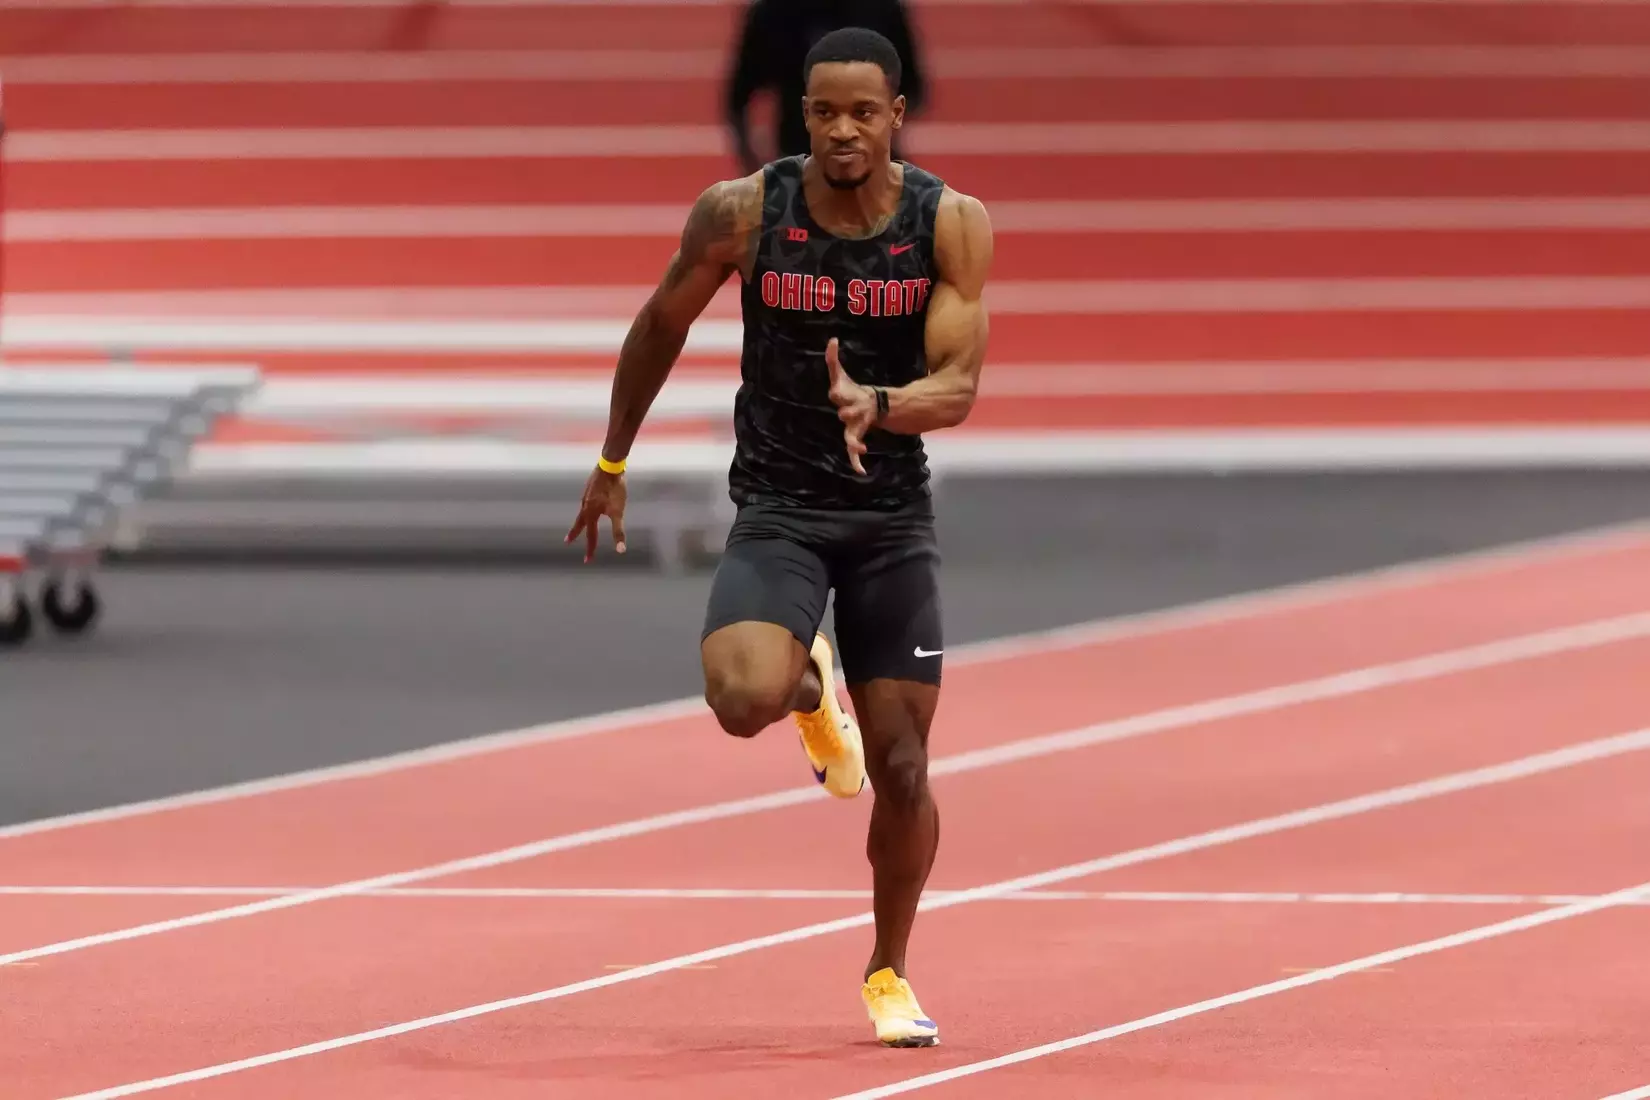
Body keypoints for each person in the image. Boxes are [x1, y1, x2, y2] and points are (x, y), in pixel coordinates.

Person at [566, 26, 992, 1049]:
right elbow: (659, 324)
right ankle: (809, 689)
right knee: (739, 697)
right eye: (822, 112)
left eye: (862, 112)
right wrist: (613, 460)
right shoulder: (748, 212)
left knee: (900, 762)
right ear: (800, 114)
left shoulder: (951, 224)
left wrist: (880, 401)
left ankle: (888, 967)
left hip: (889, 517)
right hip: (781, 506)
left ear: (897, 114)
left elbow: (959, 387)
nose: (842, 130)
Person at [724, 0, 927, 175]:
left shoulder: (772, 11)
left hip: (809, 158)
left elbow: (737, 100)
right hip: (811, 161)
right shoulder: (773, 12)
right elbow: (913, 92)